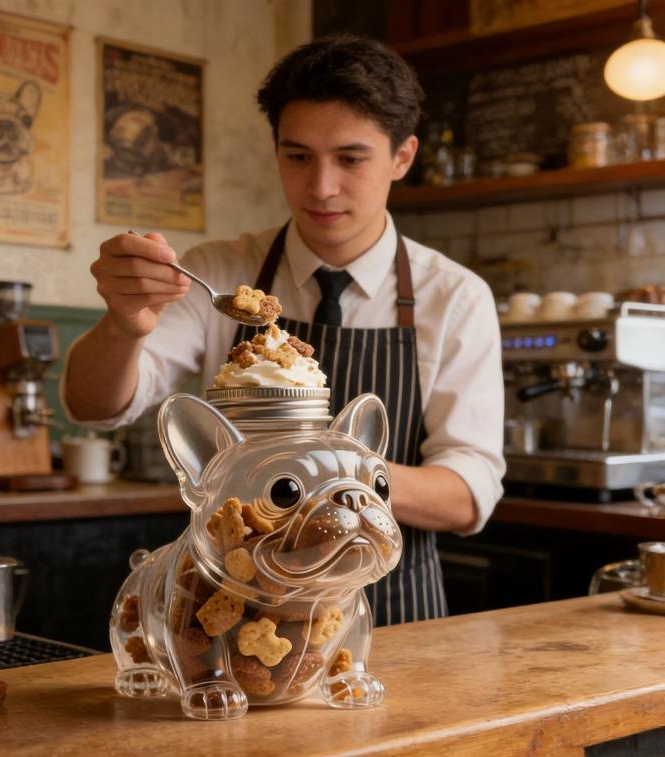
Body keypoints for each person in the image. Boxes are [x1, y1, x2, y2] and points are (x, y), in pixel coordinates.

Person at [63, 33, 505, 625]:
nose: (321, 187)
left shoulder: (454, 297)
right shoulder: (221, 272)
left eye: (351, 159)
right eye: (298, 157)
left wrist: (314, 475)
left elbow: (467, 494)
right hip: (236, 608)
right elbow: (94, 407)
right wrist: (124, 325)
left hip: (397, 618)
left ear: (402, 157)